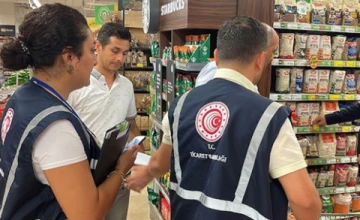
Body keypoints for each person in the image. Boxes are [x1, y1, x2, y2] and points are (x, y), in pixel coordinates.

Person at [127, 16, 322, 220]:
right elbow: (305, 202)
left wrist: (147, 172)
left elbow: (161, 162)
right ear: (260, 59)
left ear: (217, 57)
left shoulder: (181, 104)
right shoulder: (270, 116)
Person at [0, 4, 137, 220]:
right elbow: (87, 214)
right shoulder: (56, 129)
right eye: (91, 50)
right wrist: (121, 169)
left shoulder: (23, 97)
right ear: (69, 57)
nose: (94, 59)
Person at [67, 22, 143, 220]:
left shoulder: (126, 86)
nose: (120, 58)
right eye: (115, 50)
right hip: (82, 175)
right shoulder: (78, 84)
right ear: (98, 46)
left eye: (125, 53)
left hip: (117, 173)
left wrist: (139, 158)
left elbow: (130, 125)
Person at [194, 22, 273, 89]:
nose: (272, 56)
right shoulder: (213, 70)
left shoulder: (183, 101)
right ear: (260, 58)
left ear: (216, 55)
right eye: (273, 50)